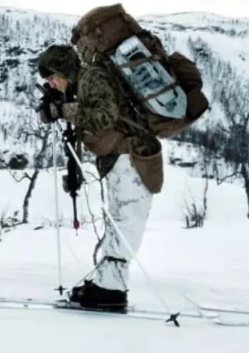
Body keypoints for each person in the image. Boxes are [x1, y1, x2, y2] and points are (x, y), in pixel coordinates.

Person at [35, 44, 163, 312]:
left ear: (65, 70)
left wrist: (63, 110)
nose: (50, 83)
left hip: (132, 156)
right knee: (118, 221)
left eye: (52, 77)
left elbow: (105, 117)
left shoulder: (92, 77)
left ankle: (111, 290)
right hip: (120, 159)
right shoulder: (81, 85)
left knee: (125, 222)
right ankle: (107, 283)